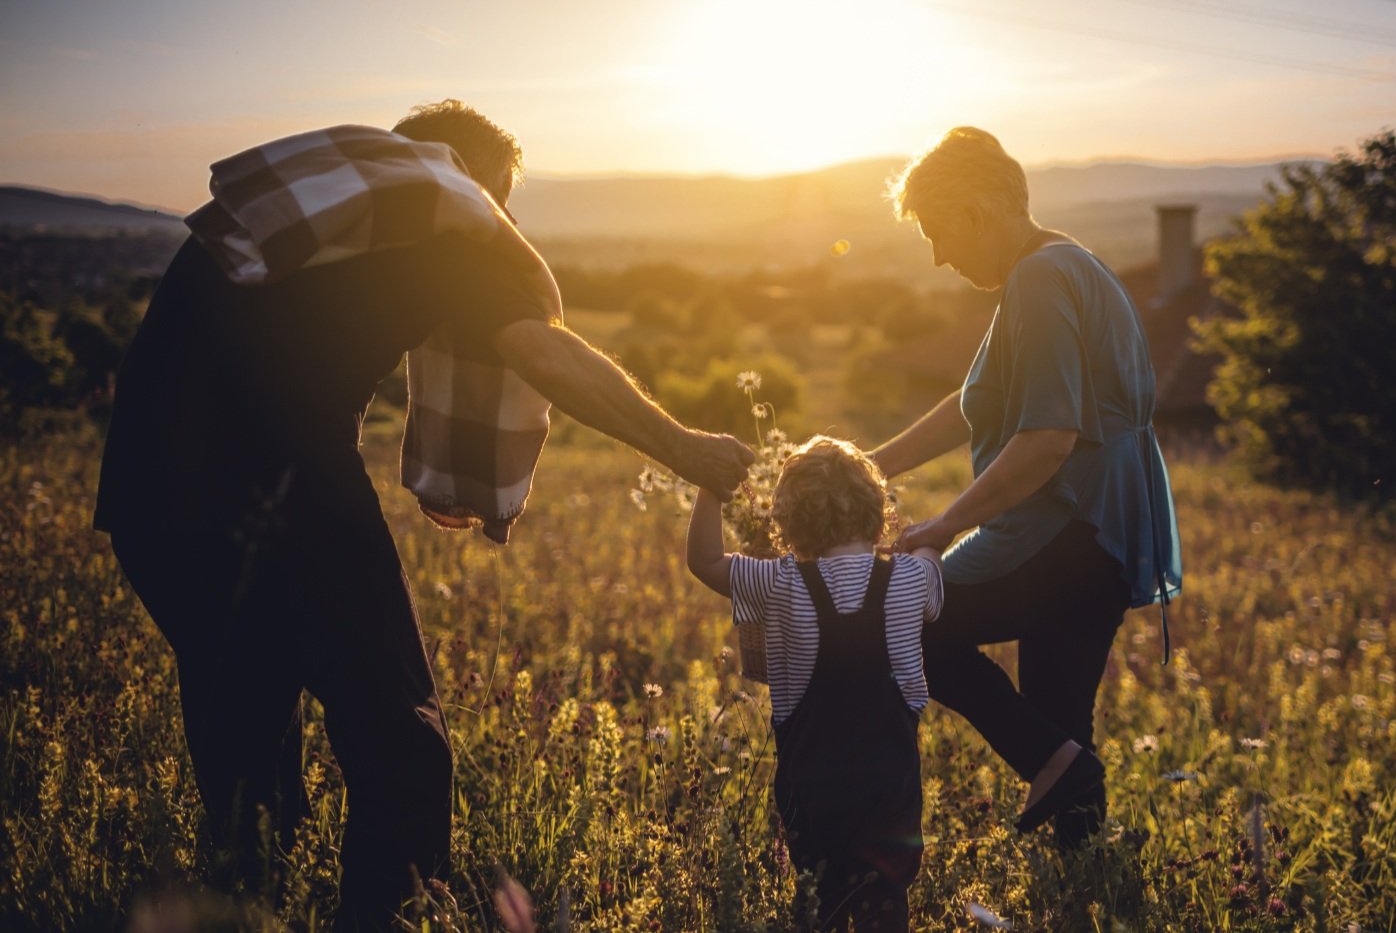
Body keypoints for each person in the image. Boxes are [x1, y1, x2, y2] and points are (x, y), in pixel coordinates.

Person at [92, 100, 754, 930]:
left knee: (247, 742)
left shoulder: (324, 203)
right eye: (504, 200)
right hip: (284, 485)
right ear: (480, 179)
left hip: (145, 500)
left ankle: (244, 906)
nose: (503, 221)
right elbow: (543, 347)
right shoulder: (448, 209)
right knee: (402, 745)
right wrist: (685, 446)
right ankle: (390, 915)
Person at [871, 126, 1182, 849]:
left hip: (1065, 528)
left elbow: (1047, 440)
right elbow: (975, 401)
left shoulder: (1039, 280)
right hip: (1103, 534)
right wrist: (874, 464)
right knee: (1059, 720)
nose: (941, 256)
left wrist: (941, 526)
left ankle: (1066, 788)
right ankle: (1084, 871)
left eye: (940, 233)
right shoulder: (1065, 263)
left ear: (978, 211)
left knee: (907, 625)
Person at [686, 436, 943, 931]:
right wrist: (929, 537)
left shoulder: (779, 581)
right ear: (876, 508)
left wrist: (711, 485)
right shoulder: (911, 578)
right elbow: (933, 567)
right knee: (884, 901)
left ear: (788, 522)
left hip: (812, 787)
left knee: (819, 901)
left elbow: (705, 562)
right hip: (890, 789)